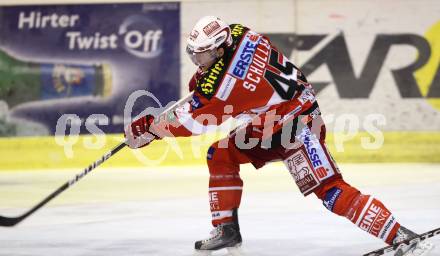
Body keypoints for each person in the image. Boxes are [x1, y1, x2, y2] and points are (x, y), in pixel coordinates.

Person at [125, 16, 434, 256]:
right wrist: (206, 77)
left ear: (220, 49)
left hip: (298, 127)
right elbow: (213, 83)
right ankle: (226, 229)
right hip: (268, 124)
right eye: (195, 54)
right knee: (220, 154)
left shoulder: (228, 89)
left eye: (203, 55)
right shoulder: (241, 33)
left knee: (330, 191)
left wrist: (152, 128)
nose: (198, 60)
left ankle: (400, 236)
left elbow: (195, 122)